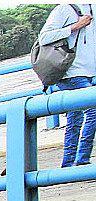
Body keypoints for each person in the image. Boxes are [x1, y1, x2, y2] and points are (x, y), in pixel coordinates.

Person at [40, 4, 96, 167]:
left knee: (75, 117)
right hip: (70, 72)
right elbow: (44, 37)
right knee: (93, 110)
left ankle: (69, 162)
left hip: (87, 72)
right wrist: (75, 26)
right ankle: (82, 160)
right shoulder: (64, 9)